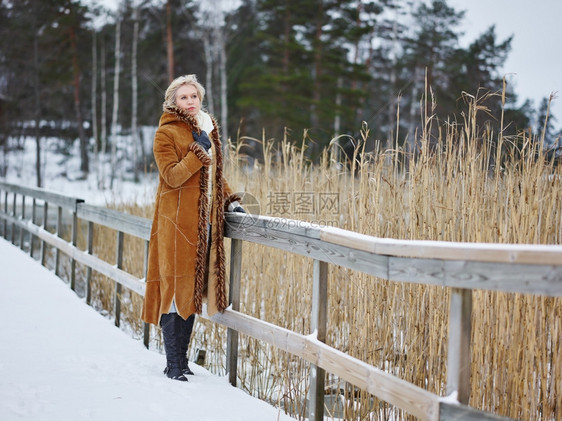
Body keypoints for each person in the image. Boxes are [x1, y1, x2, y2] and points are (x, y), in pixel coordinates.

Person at [141, 74, 244, 381]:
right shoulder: (166, 134)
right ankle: (173, 365)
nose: (189, 101)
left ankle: (182, 362)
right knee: (175, 289)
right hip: (176, 225)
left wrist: (230, 201)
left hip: (204, 225)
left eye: (194, 96)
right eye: (183, 97)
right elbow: (172, 176)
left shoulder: (206, 130)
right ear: (173, 101)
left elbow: (213, 177)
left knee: (192, 290)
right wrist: (197, 151)